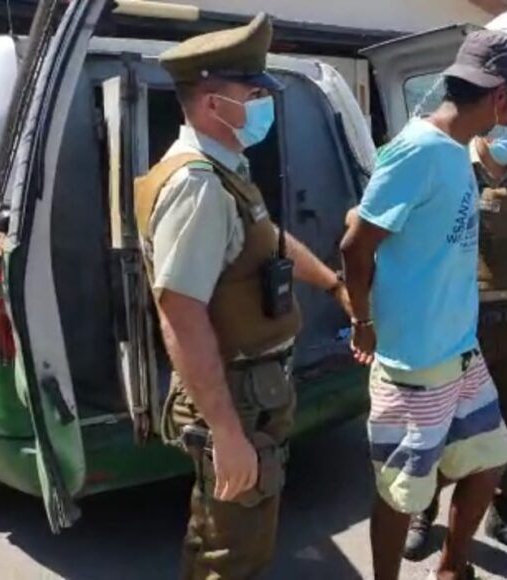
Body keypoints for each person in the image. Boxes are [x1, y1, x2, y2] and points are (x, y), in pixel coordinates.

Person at [133, 14, 351, 579]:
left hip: (255, 390)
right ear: (213, 103)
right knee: (231, 556)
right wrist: (228, 434)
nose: (264, 104)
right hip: (236, 396)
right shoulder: (198, 186)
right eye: (253, 95)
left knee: (227, 536)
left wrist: (332, 284)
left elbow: (267, 236)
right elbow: (180, 314)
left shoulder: (226, 171)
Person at [340, 30, 507, 580]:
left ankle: (452, 567)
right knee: (401, 490)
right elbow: (355, 244)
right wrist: (362, 321)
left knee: (491, 458)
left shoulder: (455, 151)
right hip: (416, 363)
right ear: (501, 97)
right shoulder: (418, 150)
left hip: (460, 352)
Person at [402, 77, 507, 563]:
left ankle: (506, 512)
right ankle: (423, 512)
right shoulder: (449, 167)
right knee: (441, 426)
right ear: (491, 116)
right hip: (456, 326)